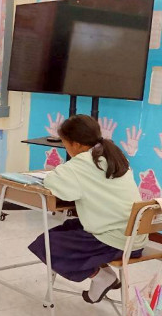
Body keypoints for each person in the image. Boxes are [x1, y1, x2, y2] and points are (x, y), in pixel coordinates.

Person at [28, 115, 144, 304]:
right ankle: (104, 273)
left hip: (115, 241)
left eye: (65, 143)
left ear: (75, 144)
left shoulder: (80, 164)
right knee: (68, 228)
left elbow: (57, 186)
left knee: (46, 244)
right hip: (135, 237)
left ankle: (99, 276)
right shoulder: (114, 156)